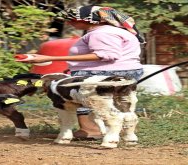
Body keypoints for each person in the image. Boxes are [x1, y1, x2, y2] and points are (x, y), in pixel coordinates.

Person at [16, 5, 145, 139]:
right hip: (127, 73)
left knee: (80, 97)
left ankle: (90, 130)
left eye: (72, 19)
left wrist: (51, 58)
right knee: (121, 103)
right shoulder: (118, 31)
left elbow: (106, 55)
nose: (69, 22)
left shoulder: (100, 33)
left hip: (101, 73)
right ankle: (125, 134)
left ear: (91, 19)